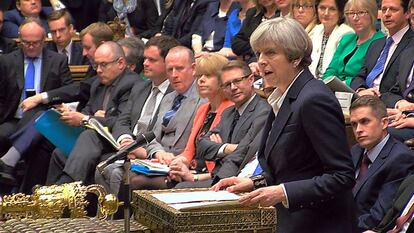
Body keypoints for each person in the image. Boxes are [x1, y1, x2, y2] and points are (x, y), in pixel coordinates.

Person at [212, 18, 357, 233]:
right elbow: (294, 169)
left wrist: (282, 193)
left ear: (295, 57)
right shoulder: (281, 96)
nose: (261, 61)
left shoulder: (314, 99)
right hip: (289, 219)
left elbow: (341, 176)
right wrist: (255, 183)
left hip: (318, 223)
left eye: (270, 53)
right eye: (259, 53)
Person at [44, 41, 142, 185]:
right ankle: (50, 199)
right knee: (59, 153)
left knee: (90, 135)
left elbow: (122, 121)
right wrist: (78, 116)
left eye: (104, 65)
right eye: (96, 65)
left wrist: (87, 119)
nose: (98, 70)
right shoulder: (98, 84)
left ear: (120, 63)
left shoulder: (132, 84)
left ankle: (66, 187)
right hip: (92, 143)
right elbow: (87, 111)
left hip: (117, 141)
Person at [0, 18, 72, 184]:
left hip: (46, 119)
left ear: (44, 40)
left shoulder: (57, 60)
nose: (30, 46)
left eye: (35, 43)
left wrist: (45, 97)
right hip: (13, 118)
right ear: (19, 40)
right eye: (26, 43)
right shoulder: (7, 61)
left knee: (40, 114)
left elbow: (68, 91)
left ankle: (21, 185)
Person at [349, 95, 414, 231]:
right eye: (354, 124)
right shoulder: (355, 151)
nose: (358, 130)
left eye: (365, 121)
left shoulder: (400, 159)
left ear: (384, 123)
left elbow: (378, 217)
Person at [21, 22, 114, 113]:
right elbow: (85, 94)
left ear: (102, 45)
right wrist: (70, 107)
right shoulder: (94, 65)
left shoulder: (111, 70)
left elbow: (82, 89)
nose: (84, 53)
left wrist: (41, 97)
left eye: (88, 48)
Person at [351, 0, 414, 108]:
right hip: (364, 102)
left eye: (393, 9)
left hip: (390, 106)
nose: (387, 14)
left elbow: (401, 86)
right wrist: (361, 90)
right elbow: (359, 76)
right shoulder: (376, 44)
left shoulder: (411, 45)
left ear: (407, 13)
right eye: (384, 9)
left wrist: (375, 97)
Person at [322, 0, 384, 86]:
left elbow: (369, 77)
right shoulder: (346, 38)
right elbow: (330, 70)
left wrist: (342, 84)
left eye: (361, 12)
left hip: (358, 91)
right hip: (333, 90)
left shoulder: (381, 41)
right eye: (351, 13)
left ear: (372, 14)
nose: (355, 18)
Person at [309, 0, 354, 79]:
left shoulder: (347, 33)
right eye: (322, 8)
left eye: (332, 9)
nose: (326, 13)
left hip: (331, 83)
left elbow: (337, 70)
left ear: (340, 12)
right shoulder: (316, 30)